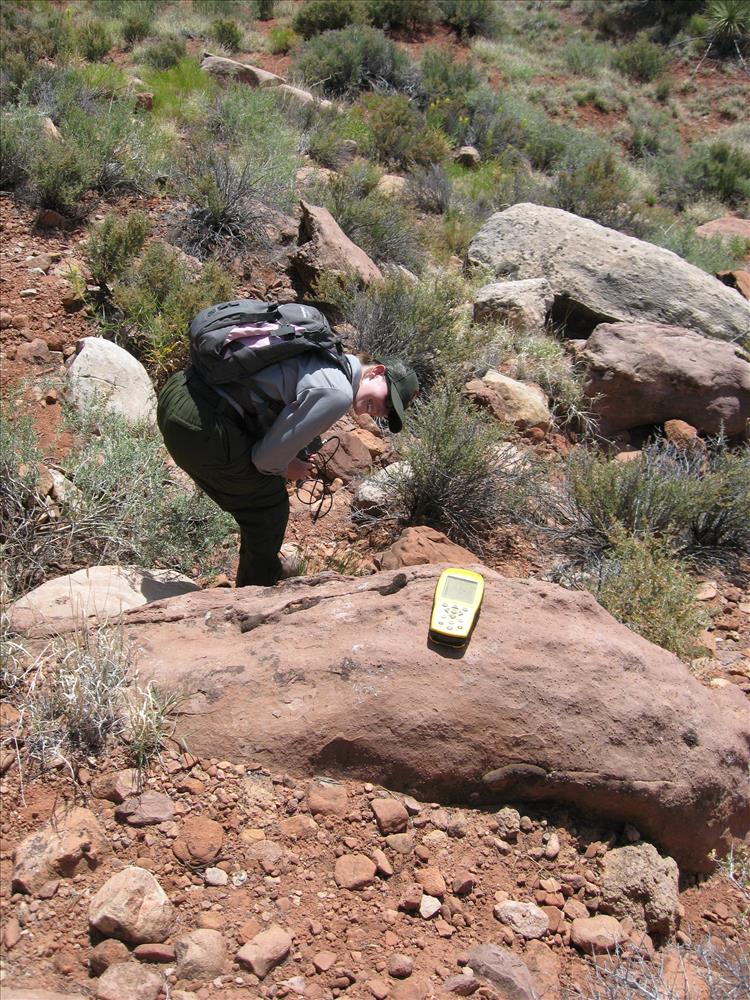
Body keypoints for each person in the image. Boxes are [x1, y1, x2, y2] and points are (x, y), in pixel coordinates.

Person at [156, 320, 419, 588]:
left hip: (179, 391)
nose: (382, 411)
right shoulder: (338, 393)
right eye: (388, 400)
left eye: (389, 413)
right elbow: (264, 461)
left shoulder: (326, 352)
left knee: (260, 488)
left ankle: (260, 571)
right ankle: (255, 593)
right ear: (376, 371)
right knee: (269, 506)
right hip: (196, 425)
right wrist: (288, 467)